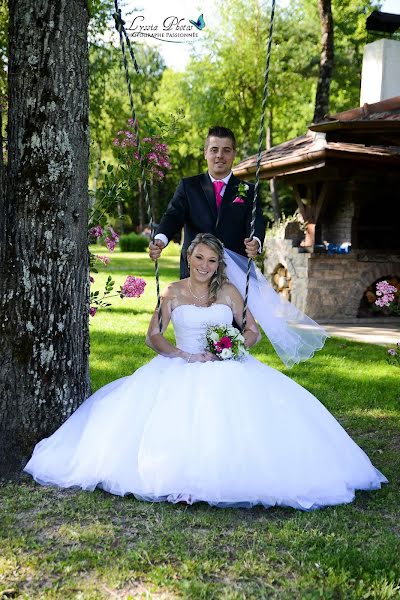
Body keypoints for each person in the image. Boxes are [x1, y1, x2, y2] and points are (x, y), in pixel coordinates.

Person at [24, 233, 387, 510]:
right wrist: (180, 354)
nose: (204, 265)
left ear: (218, 264)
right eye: (199, 257)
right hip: (179, 365)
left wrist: (230, 348)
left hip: (225, 365)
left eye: (212, 260)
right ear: (188, 257)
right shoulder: (172, 292)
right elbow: (153, 336)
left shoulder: (229, 291)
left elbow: (253, 330)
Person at [149, 126, 266, 278]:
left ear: (234, 154)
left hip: (235, 275)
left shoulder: (248, 190)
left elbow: (256, 219)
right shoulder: (188, 186)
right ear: (205, 153)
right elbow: (173, 215)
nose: (220, 155)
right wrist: (160, 239)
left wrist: (255, 241)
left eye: (226, 150)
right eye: (214, 149)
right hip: (195, 272)